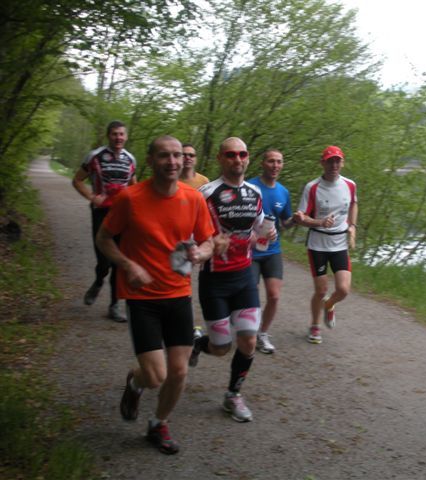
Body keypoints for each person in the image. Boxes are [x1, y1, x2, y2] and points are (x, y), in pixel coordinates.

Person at [95, 135, 215, 454]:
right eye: (164, 156)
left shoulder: (194, 199)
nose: (173, 162)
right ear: (150, 161)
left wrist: (202, 254)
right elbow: (104, 238)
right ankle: (135, 383)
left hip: (178, 294)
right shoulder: (130, 198)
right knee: (155, 375)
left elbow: (209, 240)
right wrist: (127, 264)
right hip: (143, 297)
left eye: (177, 156)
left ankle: (158, 423)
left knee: (178, 372)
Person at [190, 137, 275, 423]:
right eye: (230, 155)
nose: (237, 159)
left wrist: (266, 235)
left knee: (248, 342)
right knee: (221, 347)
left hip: (244, 278)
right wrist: (207, 244)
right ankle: (200, 343)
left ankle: (232, 395)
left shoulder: (254, 193)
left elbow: (259, 231)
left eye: (242, 154)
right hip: (214, 281)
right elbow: (187, 234)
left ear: (248, 158)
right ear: (220, 159)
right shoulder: (206, 193)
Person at [72, 120, 137, 322]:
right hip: (101, 213)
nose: (118, 137)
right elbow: (77, 180)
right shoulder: (95, 156)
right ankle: (99, 279)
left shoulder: (130, 159)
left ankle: (114, 305)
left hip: (123, 215)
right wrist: (92, 197)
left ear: (126, 137)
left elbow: (134, 186)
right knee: (103, 260)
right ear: (109, 136)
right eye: (114, 134)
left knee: (118, 260)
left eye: (121, 134)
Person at [293, 145, 358, 344]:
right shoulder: (312, 187)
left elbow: (354, 203)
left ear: (342, 163)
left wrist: (353, 226)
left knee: (343, 289)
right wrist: (319, 222)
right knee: (320, 290)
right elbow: (300, 217)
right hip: (318, 244)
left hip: (339, 243)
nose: (334, 165)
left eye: (338, 161)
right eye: (330, 161)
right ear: (323, 163)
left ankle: (329, 305)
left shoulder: (350, 184)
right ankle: (315, 325)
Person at [248, 149, 294, 354]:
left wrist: (297, 220)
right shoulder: (249, 187)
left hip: (272, 250)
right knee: (250, 296)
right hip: (250, 250)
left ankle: (262, 334)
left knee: (274, 296)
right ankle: (246, 329)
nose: (275, 165)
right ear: (263, 164)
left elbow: (285, 223)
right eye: (271, 161)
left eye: (279, 162)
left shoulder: (283, 192)